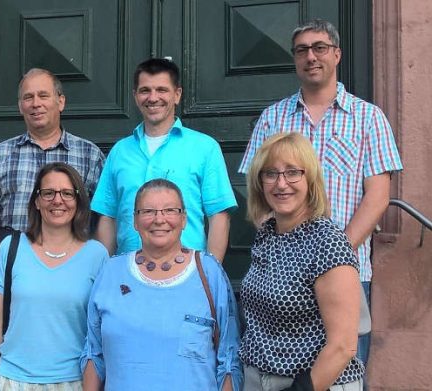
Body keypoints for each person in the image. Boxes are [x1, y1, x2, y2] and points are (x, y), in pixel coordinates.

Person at [237, 19, 403, 370]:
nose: (311, 56)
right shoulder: (273, 118)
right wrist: (288, 254)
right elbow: (256, 190)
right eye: (302, 50)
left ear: (337, 54)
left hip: (347, 272)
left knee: (343, 365)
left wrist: (333, 257)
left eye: (320, 48)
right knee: (280, 369)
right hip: (280, 275)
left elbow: (377, 197)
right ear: (295, 59)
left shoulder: (368, 118)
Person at [82, 179, 242, 391]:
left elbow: (229, 358)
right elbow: (94, 353)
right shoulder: (111, 272)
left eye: (170, 210)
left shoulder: (209, 272)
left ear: (184, 219)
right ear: (135, 221)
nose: (159, 219)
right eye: (148, 211)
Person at [241, 132, 364, 390]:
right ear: (259, 183)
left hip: (315, 384)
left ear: (310, 179)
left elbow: (343, 345)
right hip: (260, 380)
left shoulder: (327, 242)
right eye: (270, 173)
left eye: (293, 172)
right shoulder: (268, 235)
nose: (281, 184)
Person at [92, 58, 236, 260]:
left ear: (177, 95)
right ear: (135, 96)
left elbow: (219, 216)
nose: (153, 98)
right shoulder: (119, 151)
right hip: (128, 274)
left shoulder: (205, 148)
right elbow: (108, 216)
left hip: (187, 274)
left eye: (162, 90)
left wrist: (210, 274)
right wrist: (105, 271)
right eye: (145, 91)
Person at [0, 162, 108, 390]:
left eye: (67, 193)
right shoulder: (10, 248)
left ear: (78, 201)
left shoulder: (96, 255)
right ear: (37, 201)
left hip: (73, 381)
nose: (57, 200)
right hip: (13, 380)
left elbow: (101, 331)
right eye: (48, 193)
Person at [0, 68, 105, 246]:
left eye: (43, 95)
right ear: (20, 106)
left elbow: (104, 217)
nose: (35, 103)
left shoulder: (90, 155)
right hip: (13, 262)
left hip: (73, 262)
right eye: (28, 97)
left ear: (61, 101)